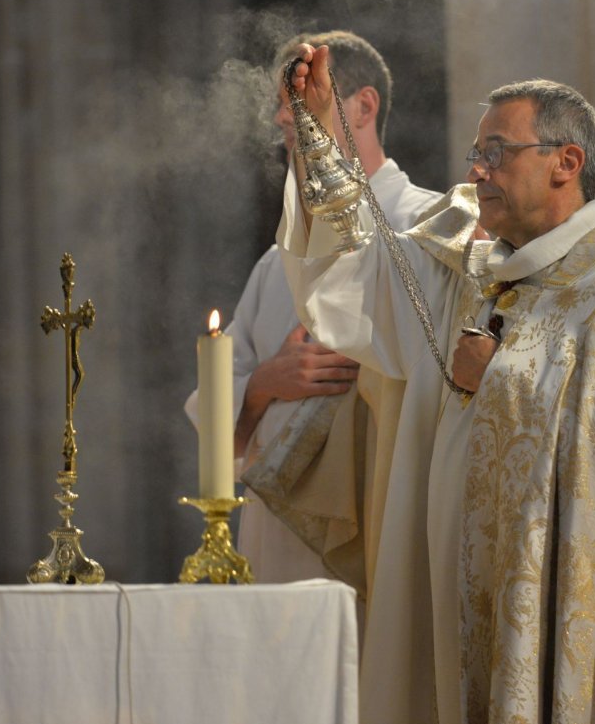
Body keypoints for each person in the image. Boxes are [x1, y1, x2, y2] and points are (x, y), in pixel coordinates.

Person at [278, 45, 595, 724]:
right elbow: (355, 284)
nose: (476, 173)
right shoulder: (470, 268)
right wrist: (318, 138)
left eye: (497, 153)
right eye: (475, 155)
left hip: (545, 593)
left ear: (565, 162)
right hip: (447, 595)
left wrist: (499, 376)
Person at [185, 30, 441, 586]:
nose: (288, 131)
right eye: (285, 120)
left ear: (364, 106)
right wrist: (263, 385)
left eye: (304, 112)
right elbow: (217, 418)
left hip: (380, 528)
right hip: (274, 544)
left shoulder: (428, 231)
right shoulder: (277, 263)